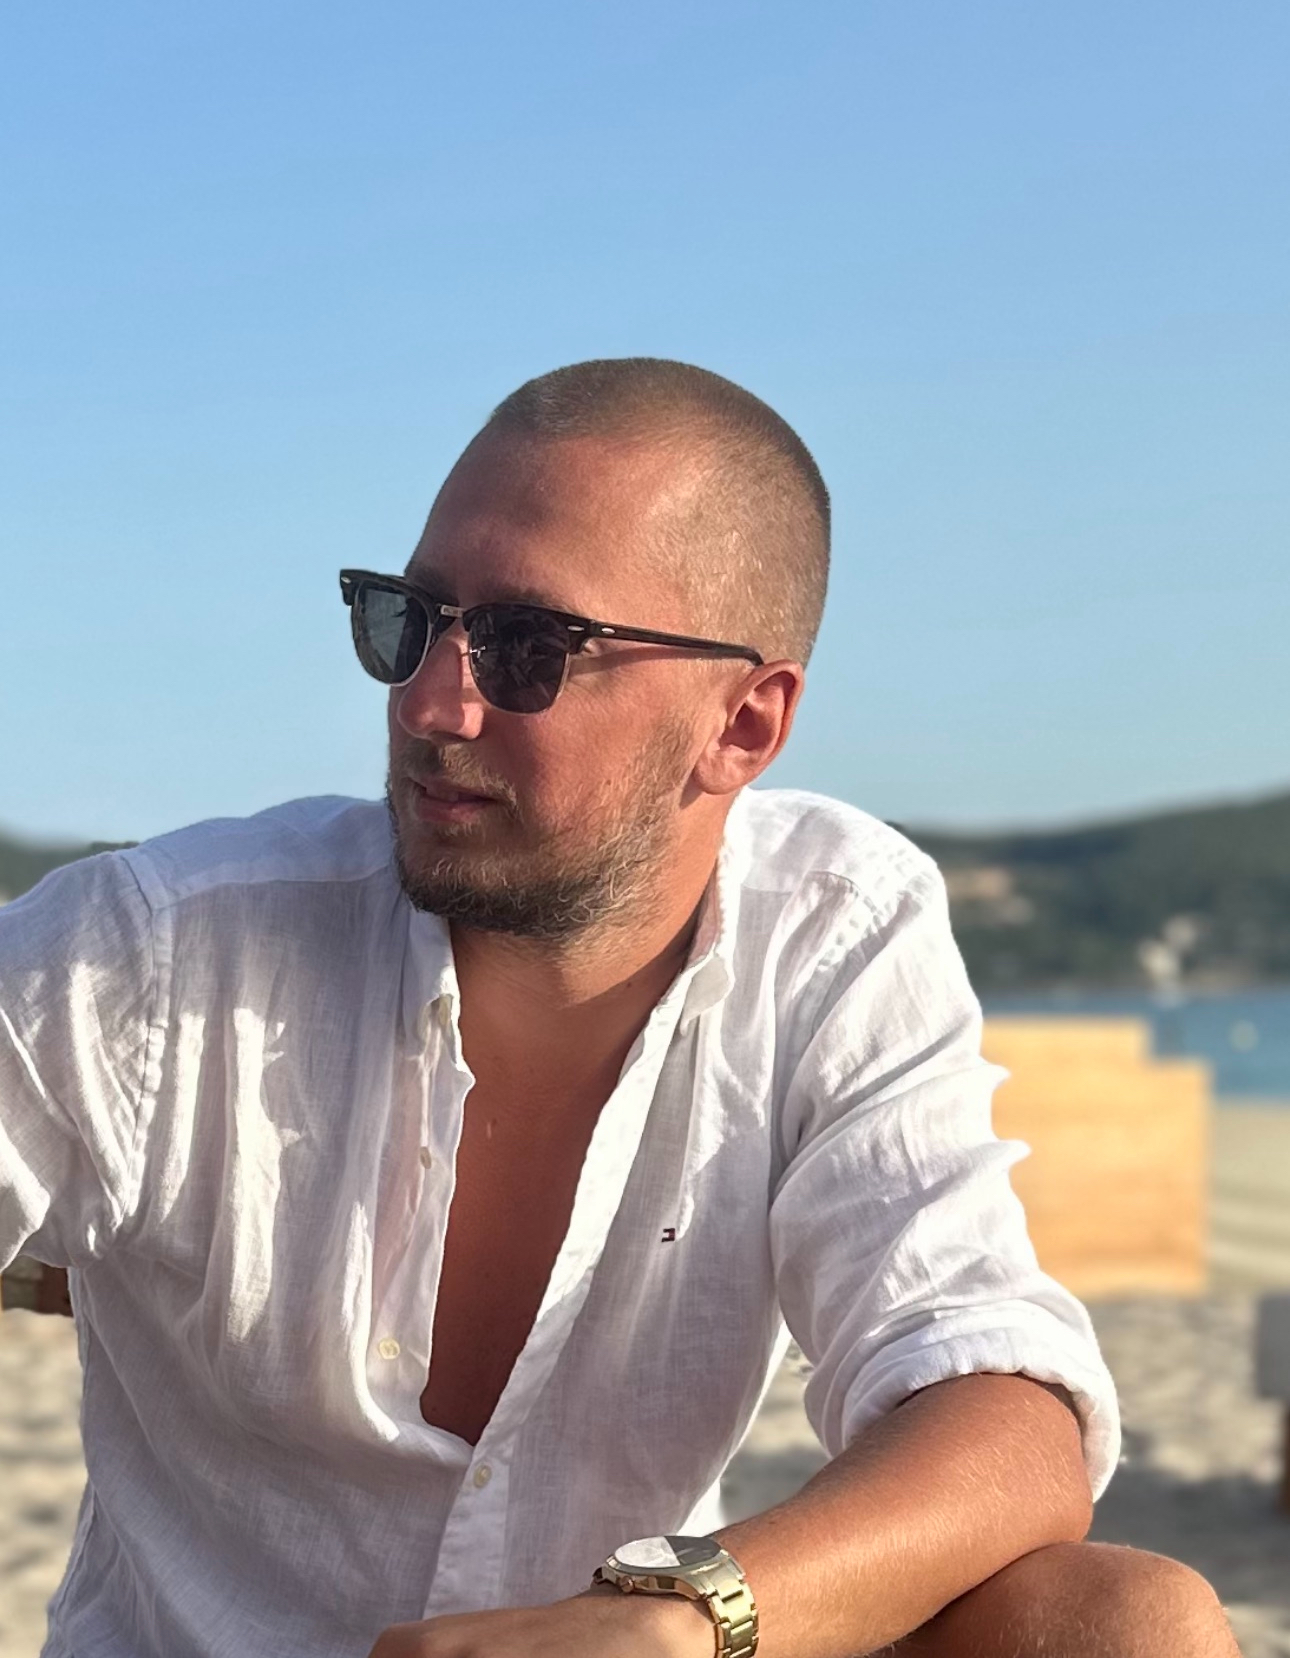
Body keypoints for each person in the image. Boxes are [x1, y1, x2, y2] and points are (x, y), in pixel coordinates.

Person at [0, 358, 1236, 1658]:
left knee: (1126, 1625)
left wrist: (680, 1621)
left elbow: (1003, 1411)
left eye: (528, 648)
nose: (427, 703)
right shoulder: (151, 955)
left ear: (743, 724)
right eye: (410, 620)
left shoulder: (828, 929)